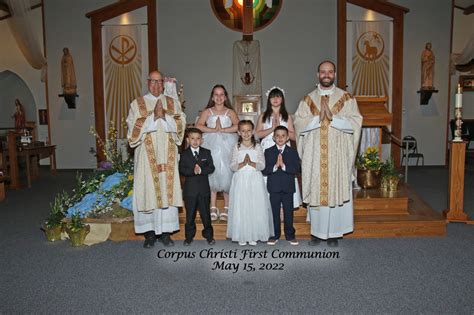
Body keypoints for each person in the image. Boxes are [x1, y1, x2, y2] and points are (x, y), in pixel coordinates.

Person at [294, 60, 362, 247]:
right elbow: (298, 123)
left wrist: (335, 119)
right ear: (318, 75)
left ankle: (333, 233)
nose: (326, 75)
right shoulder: (308, 99)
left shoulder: (346, 98)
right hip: (316, 155)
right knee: (318, 190)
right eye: (323, 72)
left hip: (337, 155)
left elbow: (356, 121)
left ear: (334, 75)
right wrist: (317, 119)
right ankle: (317, 233)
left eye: (330, 72)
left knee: (335, 189)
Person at [126, 70, 186, 248]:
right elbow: (132, 128)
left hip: (167, 156)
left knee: (167, 192)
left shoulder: (172, 103)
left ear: (163, 84)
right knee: (148, 191)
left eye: (159, 82)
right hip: (146, 157)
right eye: (153, 81)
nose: (156, 85)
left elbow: (181, 124)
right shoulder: (137, 104)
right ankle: (150, 234)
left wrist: (165, 116)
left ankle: (166, 233)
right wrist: (153, 117)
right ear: (147, 82)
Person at [196, 85, 239, 221]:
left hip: (228, 143)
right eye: (216, 94)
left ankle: (227, 206)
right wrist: (214, 129)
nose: (219, 97)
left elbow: (238, 125)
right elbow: (199, 125)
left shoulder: (230, 112)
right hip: (211, 144)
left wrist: (224, 130)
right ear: (212, 97)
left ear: (225, 97)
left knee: (226, 173)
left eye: (222, 94)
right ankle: (213, 206)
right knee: (213, 174)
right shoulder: (207, 111)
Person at [227, 120, 273, 246]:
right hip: (241, 179)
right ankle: (242, 234)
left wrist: (252, 163)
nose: (246, 133)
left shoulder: (257, 146)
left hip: (254, 179)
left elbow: (262, 165)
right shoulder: (236, 147)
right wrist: (242, 164)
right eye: (243, 131)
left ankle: (254, 234)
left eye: (248, 130)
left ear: (253, 131)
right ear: (238, 132)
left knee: (254, 206)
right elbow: (232, 165)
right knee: (242, 206)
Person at [256, 86, 301, 209]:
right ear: (269, 99)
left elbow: (293, 136)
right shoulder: (263, 116)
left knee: (284, 175)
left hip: (283, 148)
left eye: (278, 96)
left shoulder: (287, 117)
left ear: (282, 99)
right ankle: (269, 206)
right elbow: (257, 134)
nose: (275, 99)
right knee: (270, 174)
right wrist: (272, 129)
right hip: (269, 148)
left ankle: (283, 208)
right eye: (272, 96)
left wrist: (282, 130)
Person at [262, 126, 300, 246]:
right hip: (274, 188)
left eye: (283, 135)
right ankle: (274, 234)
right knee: (274, 212)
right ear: (273, 137)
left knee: (289, 212)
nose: (280, 138)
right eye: (277, 135)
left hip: (288, 188)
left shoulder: (293, 151)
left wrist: (284, 166)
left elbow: (297, 169)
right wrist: (274, 166)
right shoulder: (268, 152)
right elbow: (264, 169)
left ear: (288, 137)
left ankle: (290, 235)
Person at [179, 128, 216, 246]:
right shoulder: (184, 154)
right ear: (188, 140)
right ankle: (189, 237)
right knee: (190, 216)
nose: (195, 141)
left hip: (204, 190)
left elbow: (211, 168)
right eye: (192, 138)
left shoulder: (206, 152)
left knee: (206, 215)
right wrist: (192, 171)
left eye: (198, 139)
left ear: (202, 140)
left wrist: (201, 170)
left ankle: (209, 236)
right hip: (190, 191)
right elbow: (181, 170)